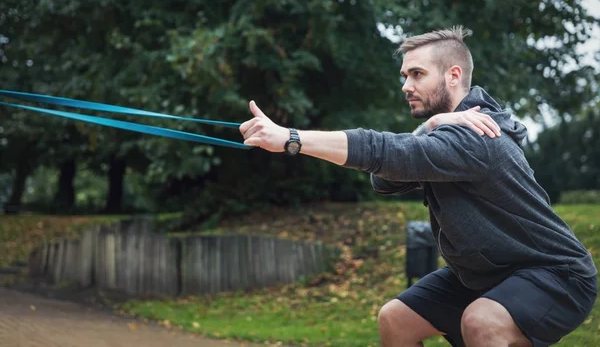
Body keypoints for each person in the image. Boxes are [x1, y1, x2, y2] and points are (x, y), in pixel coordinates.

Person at [238, 26, 597, 347]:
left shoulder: (476, 137)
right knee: (395, 320)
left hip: (556, 275)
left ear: (453, 75)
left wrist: (292, 138)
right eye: (405, 75)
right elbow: (384, 178)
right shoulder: (445, 131)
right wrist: (431, 125)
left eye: (417, 74)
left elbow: (383, 150)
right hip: (485, 276)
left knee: (482, 322)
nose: (405, 85)